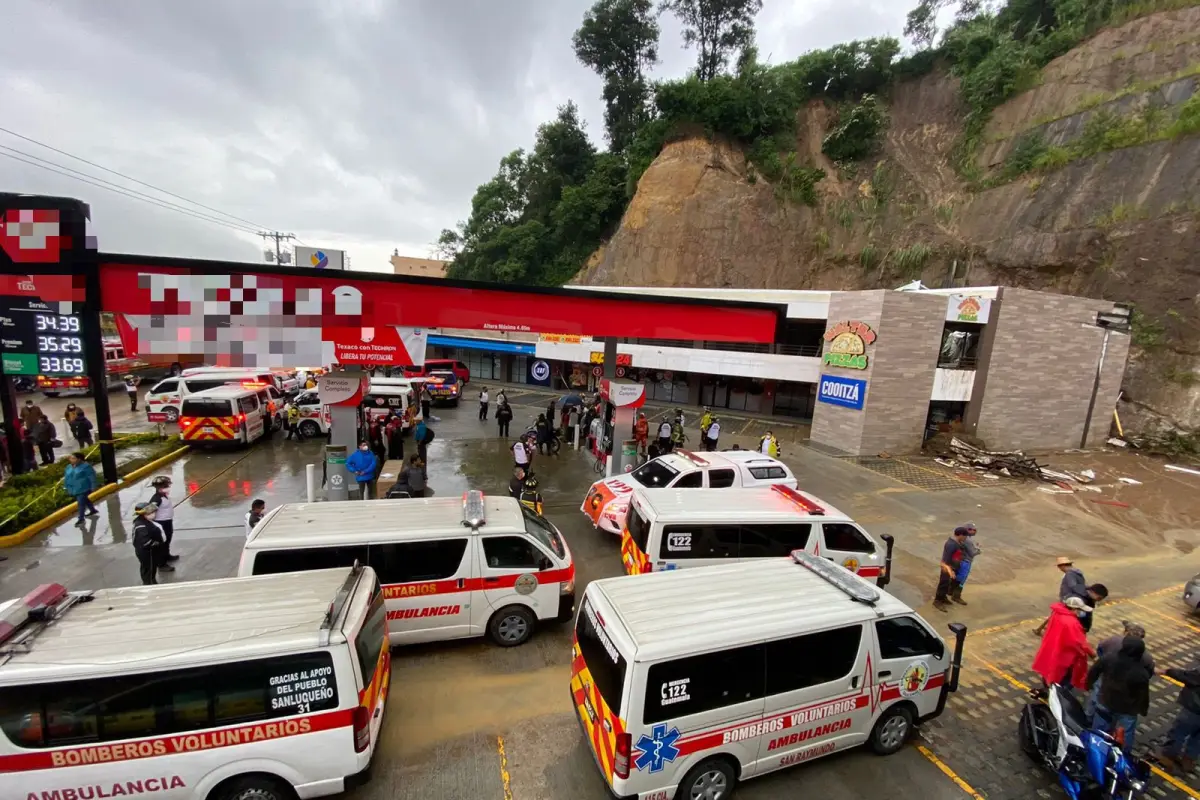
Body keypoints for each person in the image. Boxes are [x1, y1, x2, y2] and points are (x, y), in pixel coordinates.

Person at [1086, 636, 1152, 753]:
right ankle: (1122, 756)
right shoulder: (1141, 672)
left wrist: (1089, 684)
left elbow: (1094, 671)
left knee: (1100, 730)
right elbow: (1143, 694)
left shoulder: (1109, 658)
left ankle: (1095, 752)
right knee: (1126, 734)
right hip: (1127, 710)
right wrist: (1143, 709)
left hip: (1105, 701)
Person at [1087, 621, 1152, 724]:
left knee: (1096, 703)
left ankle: (1089, 719)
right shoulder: (1146, 657)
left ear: (1125, 633)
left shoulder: (1113, 643)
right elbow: (1147, 679)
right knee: (1126, 731)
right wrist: (1143, 709)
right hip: (1128, 703)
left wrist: (1088, 684)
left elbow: (1099, 656)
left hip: (1106, 692)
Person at [1031, 596, 1096, 697]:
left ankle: (1047, 688)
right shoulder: (1072, 623)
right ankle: (1058, 697)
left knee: (1049, 670)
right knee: (1064, 678)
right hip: (1065, 656)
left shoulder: (1057, 613)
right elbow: (1080, 642)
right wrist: (1092, 654)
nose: (1081, 612)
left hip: (1051, 648)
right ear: (1074, 609)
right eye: (1080, 610)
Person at [1034, 558, 1107, 635]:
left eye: (1059, 567)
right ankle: (1041, 629)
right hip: (1074, 599)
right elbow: (1081, 585)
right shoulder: (1078, 572)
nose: (1059, 569)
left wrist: (1073, 597)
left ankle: (1044, 629)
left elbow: (1074, 586)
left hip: (1070, 599)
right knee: (1057, 614)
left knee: (1058, 613)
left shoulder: (1069, 574)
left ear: (1062, 566)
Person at [1156, 656, 1200, 774]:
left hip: (1194, 710)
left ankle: (1167, 757)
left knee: (1178, 733)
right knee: (1197, 738)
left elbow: (1186, 676)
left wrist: (1167, 671)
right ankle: (1188, 761)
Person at [933, 526, 969, 611]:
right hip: (947, 568)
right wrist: (950, 571)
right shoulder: (951, 545)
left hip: (952, 568)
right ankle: (937, 601)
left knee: (948, 585)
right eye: (965, 536)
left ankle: (943, 597)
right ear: (960, 535)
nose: (966, 538)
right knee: (943, 584)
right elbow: (945, 560)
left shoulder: (957, 543)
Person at [146, 476, 178, 569]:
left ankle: (167, 556)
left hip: (167, 522)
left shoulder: (164, 496)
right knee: (161, 543)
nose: (168, 486)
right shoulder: (156, 499)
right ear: (160, 487)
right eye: (166, 485)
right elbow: (148, 511)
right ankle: (161, 564)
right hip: (161, 523)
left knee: (167, 540)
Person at [131, 502, 165, 585]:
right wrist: (156, 543)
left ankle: (152, 580)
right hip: (146, 552)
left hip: (151, 551)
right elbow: (145, 541)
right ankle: (148, 584)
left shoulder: (147, 521)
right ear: (143, 514)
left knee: (152, 567)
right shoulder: (140, 525)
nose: (154, 514)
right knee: (148, 568)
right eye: (151, 512)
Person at [64, 452, 99, 526]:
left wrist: (93, 486)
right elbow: (66, 477)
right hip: (74, 488)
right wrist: (66, 486)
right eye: (70, 458)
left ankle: (81, 519)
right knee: (84, 500)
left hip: (84, 488)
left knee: (81, 503)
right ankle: (93, 510)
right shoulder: (69, 467)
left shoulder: (86, 467)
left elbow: (92, 477)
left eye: (73, 458)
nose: (71, 460)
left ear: (79, 459)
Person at [951, 523, 980, 605]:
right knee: (961, 580)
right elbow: (972, 553)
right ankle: (956, 596)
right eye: (972, 529)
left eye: (975, 530)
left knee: (957, 577)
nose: (974, 531)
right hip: (966, 562)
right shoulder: (968, 540)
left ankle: (951, 592)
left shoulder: (966, 539)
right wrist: (978, 549)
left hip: (961, 560)